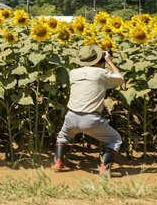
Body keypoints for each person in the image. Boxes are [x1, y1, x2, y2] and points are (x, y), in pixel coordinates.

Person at [53, 44, 125, 176]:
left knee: (63, 137)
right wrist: (108, 61)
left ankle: (58, 163)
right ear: (98, 60)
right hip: (91, 119)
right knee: (114, 139)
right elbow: (120, 80)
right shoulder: (101, 73)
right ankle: (105, 169)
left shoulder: (73, 73)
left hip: (71, 117)